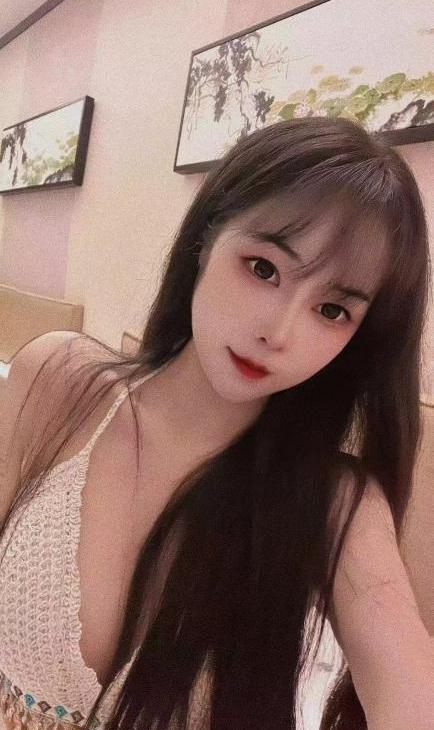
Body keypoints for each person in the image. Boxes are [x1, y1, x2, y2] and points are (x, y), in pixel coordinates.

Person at [0, 116, 433, 730]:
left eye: (332, 310)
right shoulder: (58, 380)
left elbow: (408, 686)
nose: (278, 332)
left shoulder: (335, 504)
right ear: (206, 239)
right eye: (263, 268)